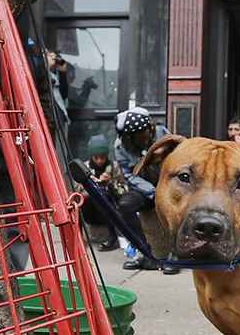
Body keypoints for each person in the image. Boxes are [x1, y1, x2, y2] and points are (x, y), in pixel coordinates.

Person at [113, 107, 179, 274]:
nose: (145, 143)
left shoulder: (164, 135)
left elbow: (175, 165)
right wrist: (154, 192)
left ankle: (175, 255)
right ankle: (144, 251)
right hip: (146, 188)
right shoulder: (121, 148)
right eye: (140, 142)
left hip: (168, 186)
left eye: (147, 139)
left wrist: (164, 191)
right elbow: (129, 176)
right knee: (126, 204)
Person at [75, 135, 127, 251]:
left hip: (110, 211)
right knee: (87, 195)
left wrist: (109, 183)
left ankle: (113, 237)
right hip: (89, 212)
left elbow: (124, 191)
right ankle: (77, 237)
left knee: (99, 194)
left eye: (102, 157)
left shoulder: (114, 167)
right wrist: (84, 185)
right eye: (96, 157)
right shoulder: (84, 167)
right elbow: (74, 193)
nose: (99, 161)